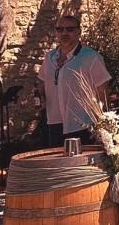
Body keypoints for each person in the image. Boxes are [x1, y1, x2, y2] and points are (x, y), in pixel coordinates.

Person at [37, 14, 112, 148]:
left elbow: (103, 93)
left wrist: (103, 125)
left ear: (78, 32)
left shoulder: (91, 58)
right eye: (60, 29)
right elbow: (42, 81)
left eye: (70, 29)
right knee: (57, 161)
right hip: (54, 124)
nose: (64, 33)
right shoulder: (49, 58)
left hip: (83, 125)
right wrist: (41, 101)